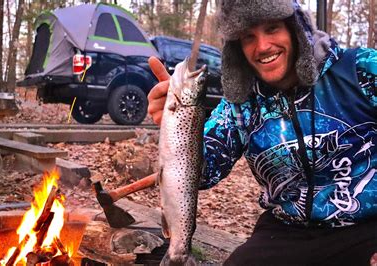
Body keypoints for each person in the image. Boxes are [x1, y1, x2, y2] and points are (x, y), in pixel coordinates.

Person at [147, 0, 377, 265]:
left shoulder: (361, 70)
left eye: (272, 28)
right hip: (287, 230)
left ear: (295, 28)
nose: (263, 46)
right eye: (248, 37)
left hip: (367, 225)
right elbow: (202, 172)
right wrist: (176, 126)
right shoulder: (241, 106)